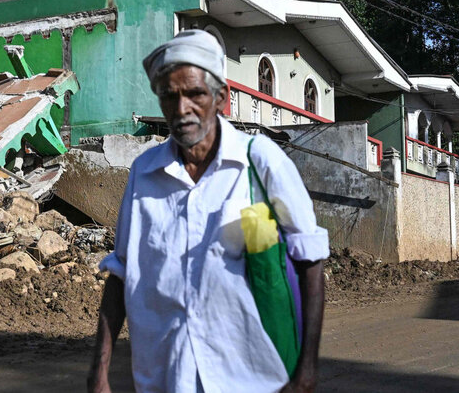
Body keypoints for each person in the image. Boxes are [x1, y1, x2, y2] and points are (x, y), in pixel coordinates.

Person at [87, 30, 329, 393]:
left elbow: (311, 262)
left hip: (251, 376)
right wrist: (99, 371)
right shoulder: (144, 172)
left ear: (221, 99)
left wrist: (307, 369)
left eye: (195, 94)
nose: (182, 109)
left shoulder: (259, 161)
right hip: (167, 373)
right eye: (170, 97)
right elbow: (121, 273)